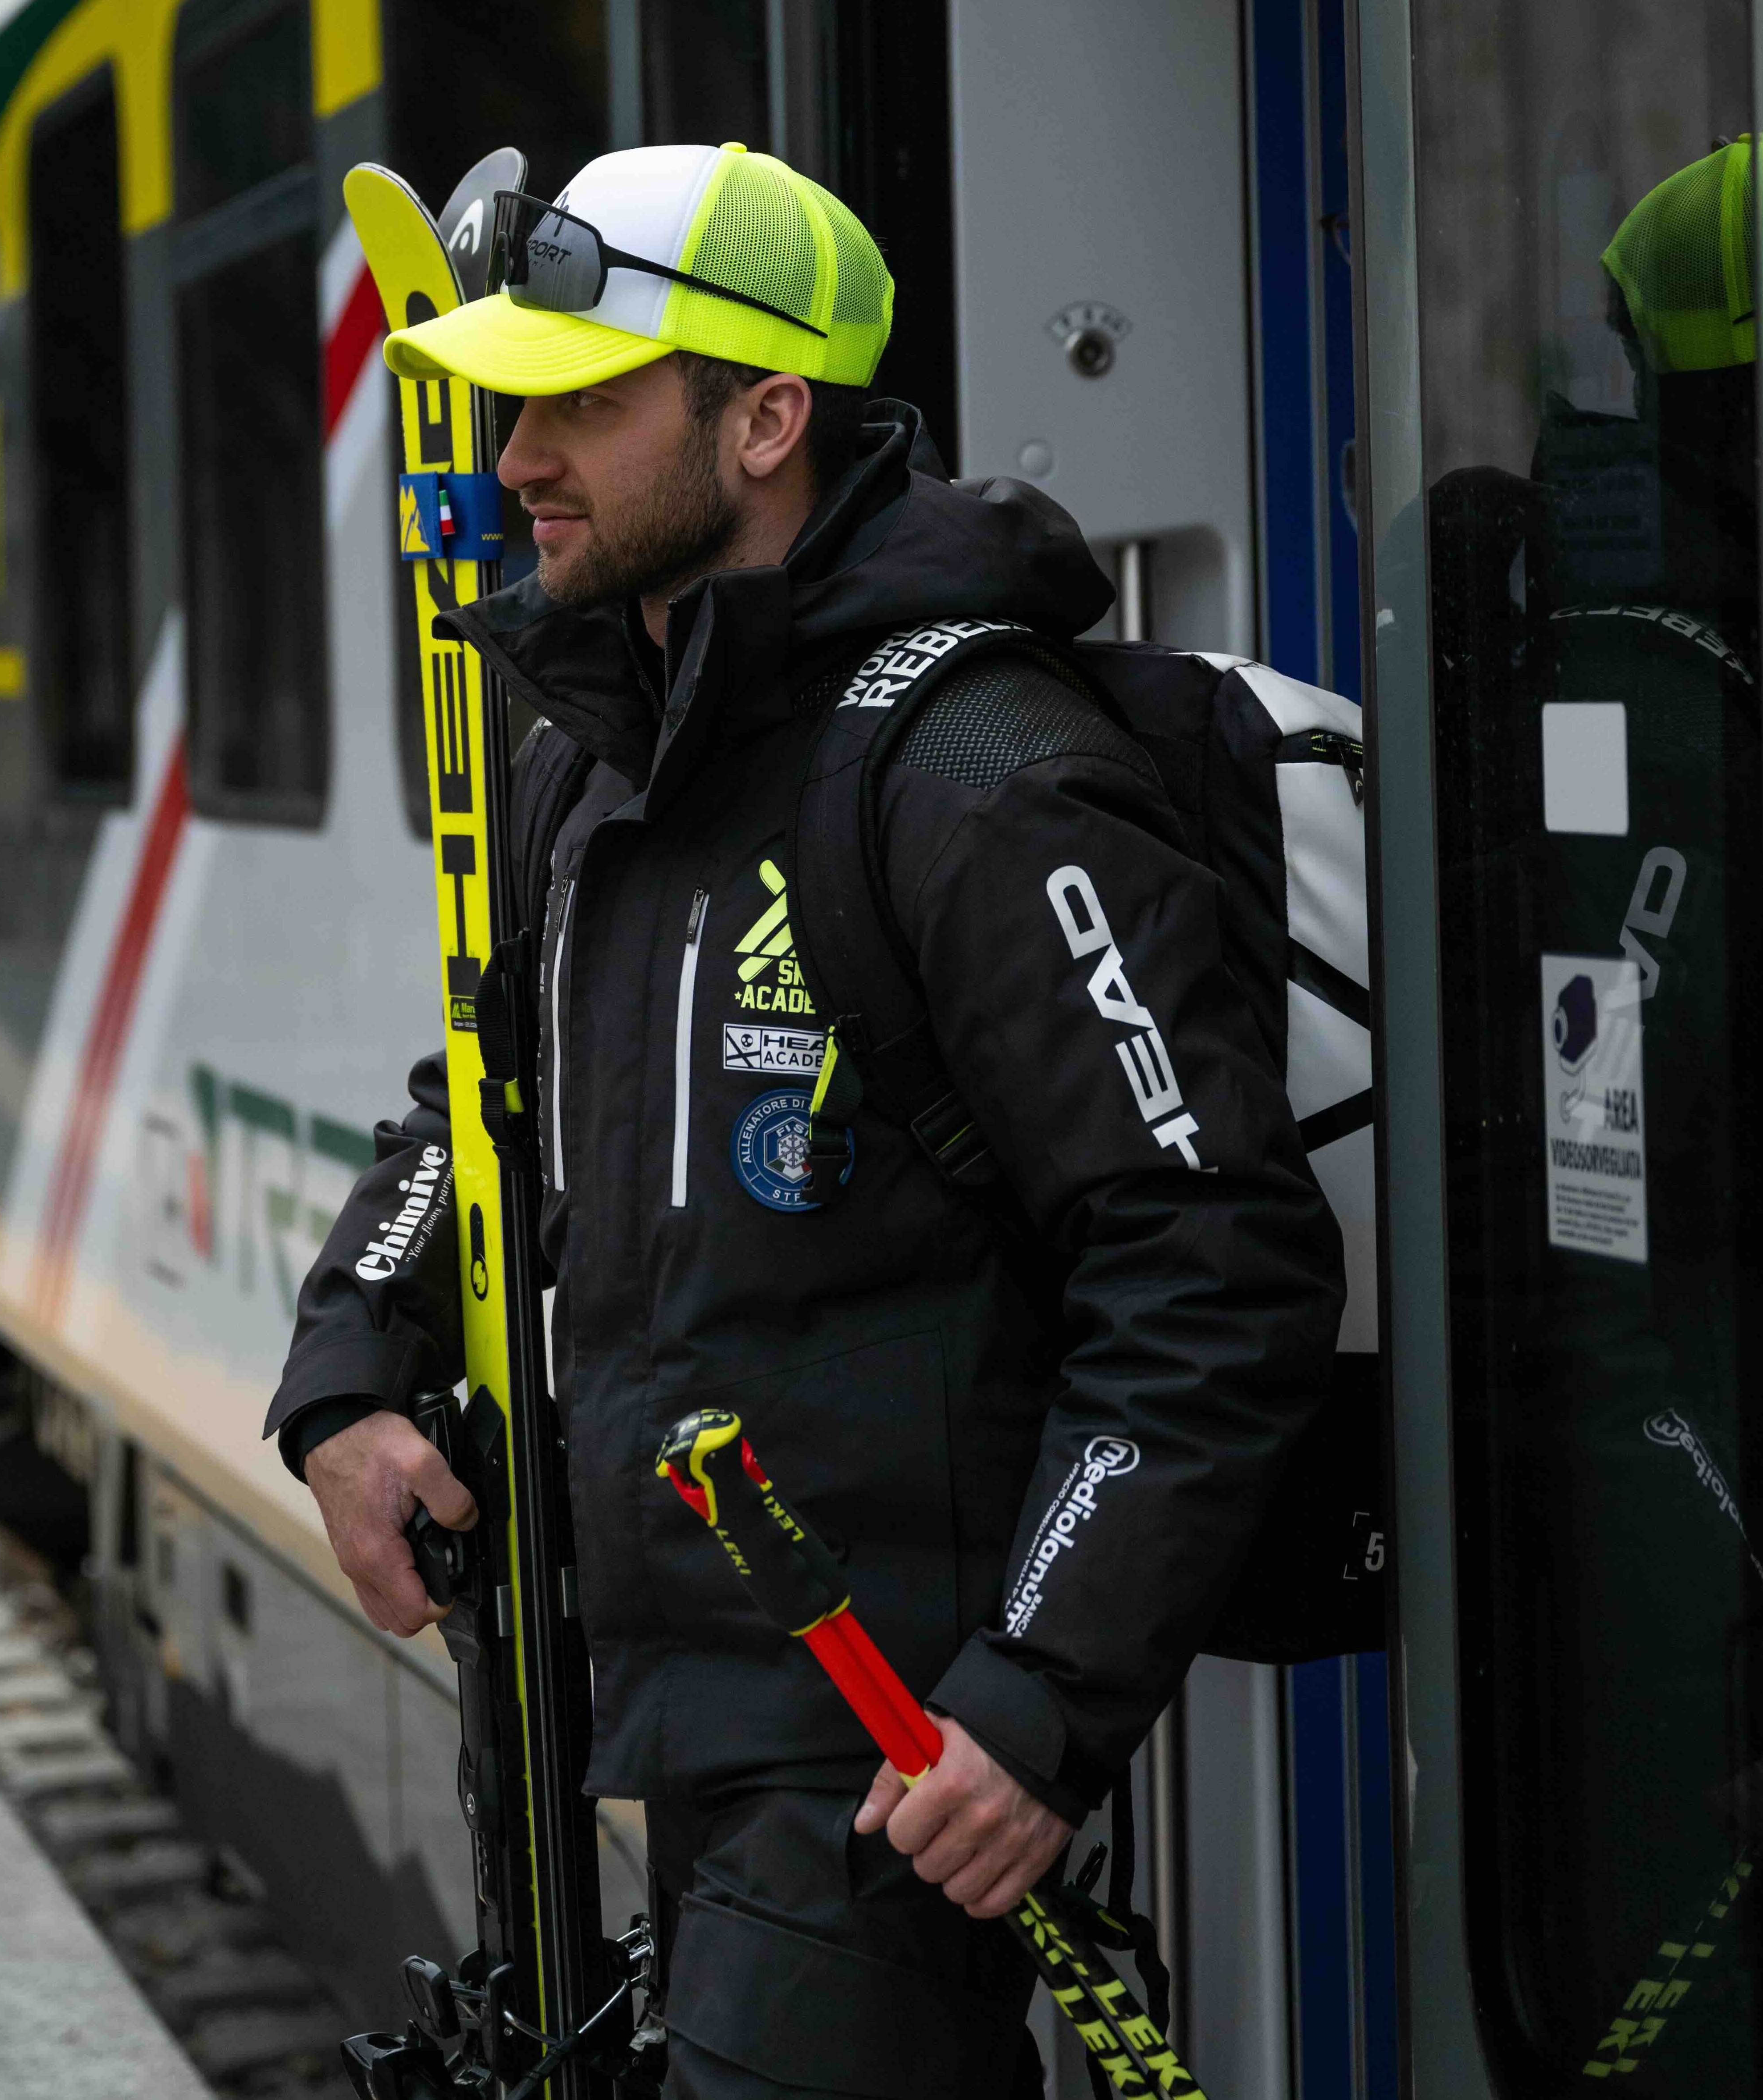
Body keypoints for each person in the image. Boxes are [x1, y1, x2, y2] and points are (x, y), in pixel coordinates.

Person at [268, 141, 1344, 2098]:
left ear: (764, 420)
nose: (518, 460)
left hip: (887, 1753)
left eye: (581, 406)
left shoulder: (977, 770)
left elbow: (1210, 1257)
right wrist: (348, 1361)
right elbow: (481, 1110)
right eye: (513, 406)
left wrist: (1037, 1697)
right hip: (648, 1700)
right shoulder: (591, 766)